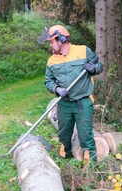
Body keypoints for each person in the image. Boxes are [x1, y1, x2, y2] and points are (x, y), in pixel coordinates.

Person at [37, 25, 103, 161]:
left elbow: (99, 66)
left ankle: (90, 162)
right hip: (64, 103)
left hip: (83, 101)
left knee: (85, 133)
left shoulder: (83, 51)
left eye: (52, 42)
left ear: (60, 39)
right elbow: (48, 81)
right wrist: (57, 89)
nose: (51, 46)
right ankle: (65, 155)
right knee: (64, 133)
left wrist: (93, 69)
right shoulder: (51, 61)